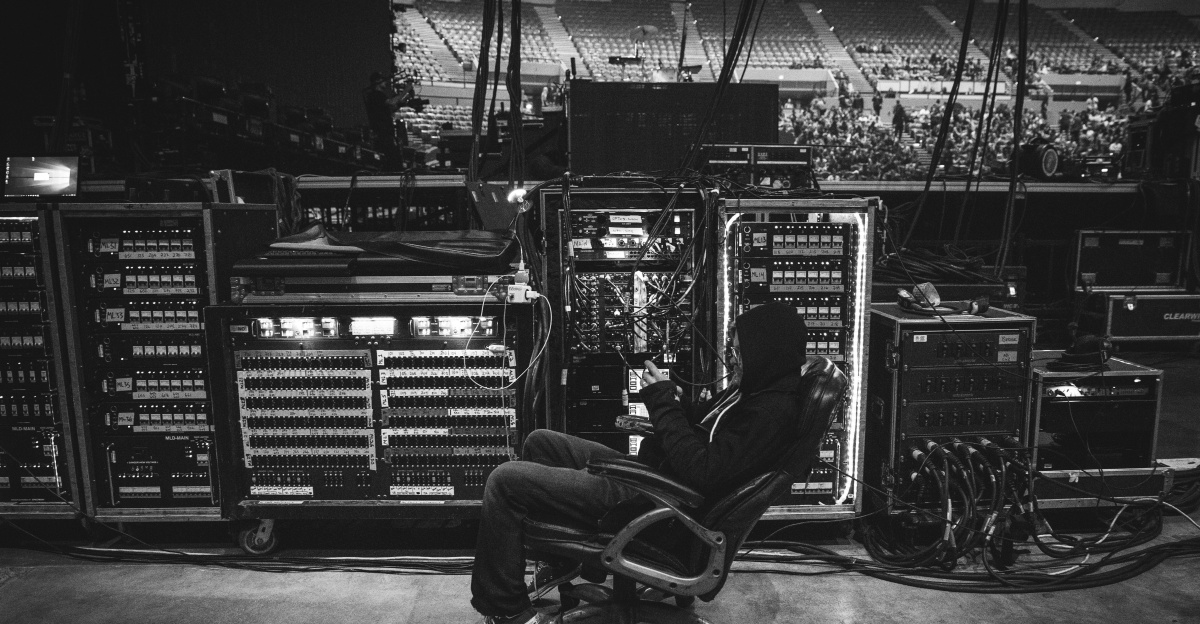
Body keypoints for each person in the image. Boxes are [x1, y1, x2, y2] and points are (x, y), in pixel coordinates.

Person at [470, 303, 810, 624]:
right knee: (541, 442)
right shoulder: (756, 393)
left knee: (505, 480)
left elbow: (702, 470)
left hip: (656, 501)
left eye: (739, 353)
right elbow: (707, 433)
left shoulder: (769, 414)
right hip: (655, 479)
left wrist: (662, 402)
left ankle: (507, 611)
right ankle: (562, 560)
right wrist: (677, 399)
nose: (733, 361)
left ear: (765, 351)